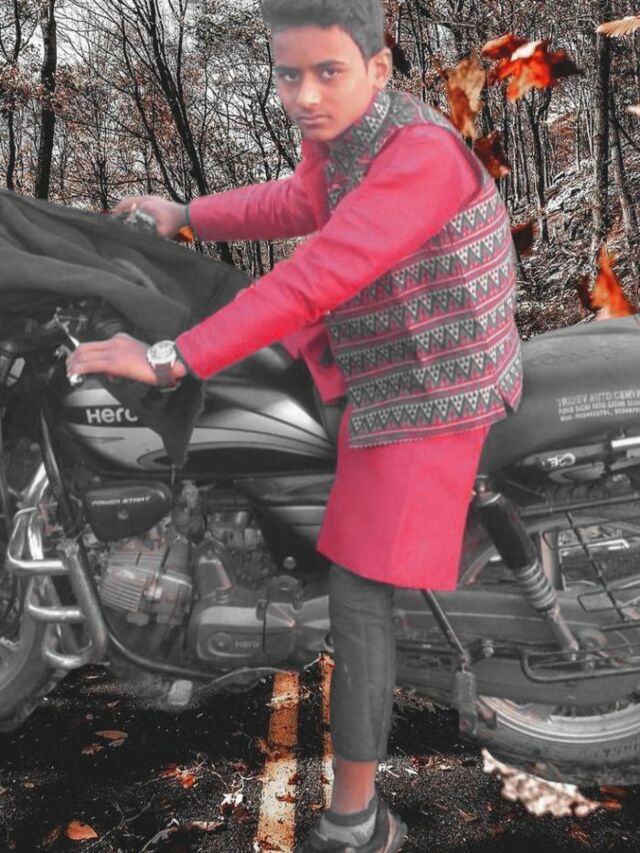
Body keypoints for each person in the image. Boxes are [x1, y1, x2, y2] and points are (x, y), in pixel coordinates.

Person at [67, 1, 523, 849]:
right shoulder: (343, 134)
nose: (305, 95)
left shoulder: (419, 156)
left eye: (327, 72)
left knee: (358, 591)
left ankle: (357, 816)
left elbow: (315, 276)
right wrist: (187, 211)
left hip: (431, 380)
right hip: (375, 342)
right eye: (289, 75)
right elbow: (302, 198)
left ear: (378, 69)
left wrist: (168, 358)